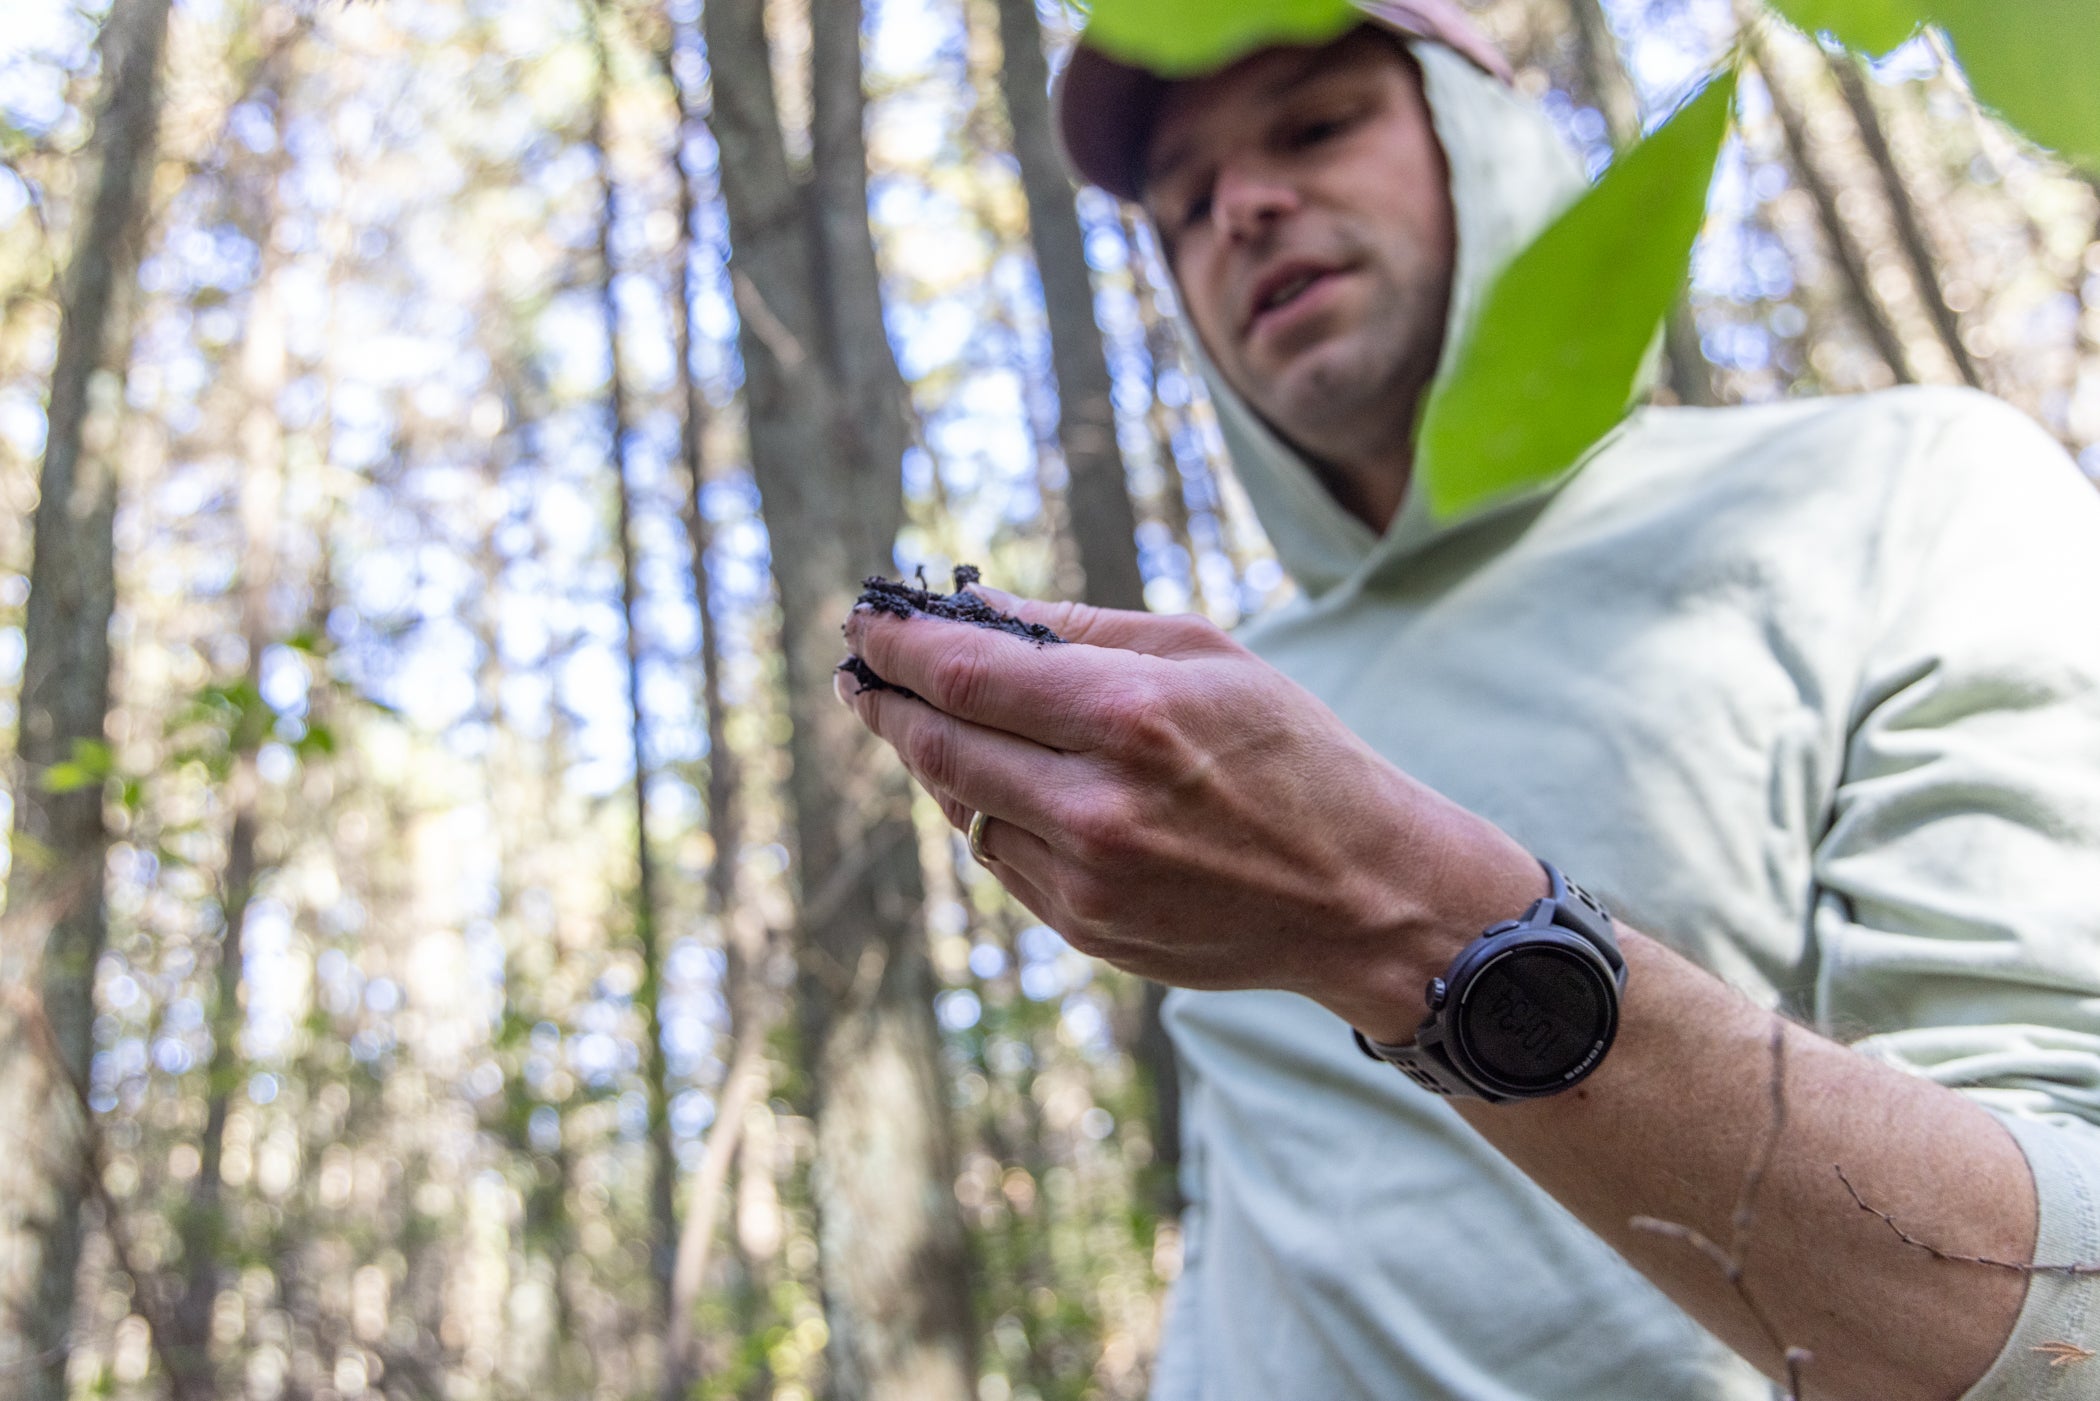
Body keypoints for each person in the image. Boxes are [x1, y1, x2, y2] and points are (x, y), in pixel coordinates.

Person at [834, 1, 2100, 1396]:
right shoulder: (1192, 701)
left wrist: (1402, 916)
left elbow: (2072, 1320)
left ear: (1486, 141)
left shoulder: (1905, 491)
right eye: (1184, 206)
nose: (1242, 208)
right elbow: (1256, 1258)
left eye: (1315, 126)